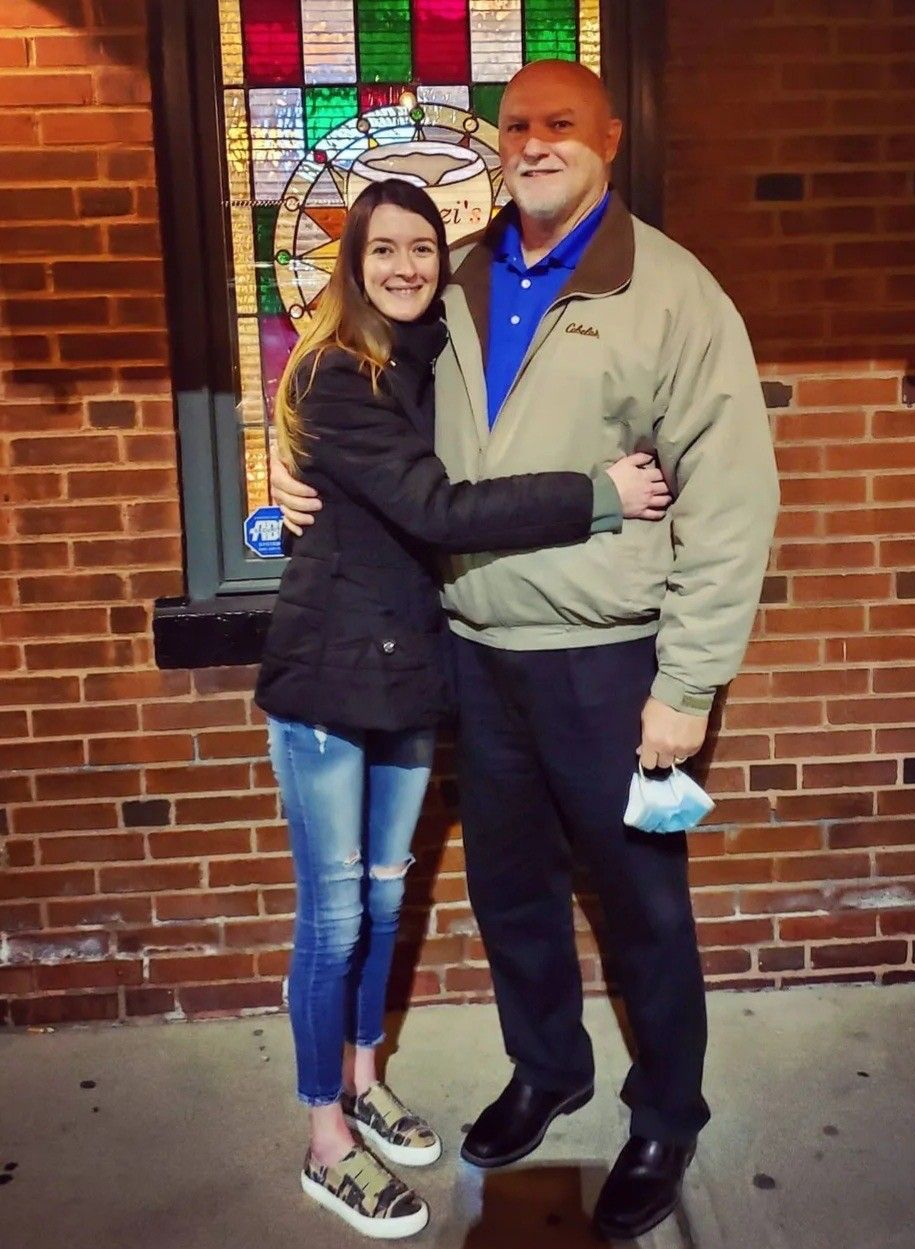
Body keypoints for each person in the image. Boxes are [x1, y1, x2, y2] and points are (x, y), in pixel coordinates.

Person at [273, 60, 779, 1241]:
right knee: (510, 893)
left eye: (563, 123)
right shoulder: (454, 277)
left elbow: (731, 499)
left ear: (610, 136)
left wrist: (688, 684)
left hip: (609, 660)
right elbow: (362, 405)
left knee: (643, 902)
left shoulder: (671, 294)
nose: (536, 142)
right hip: (472, 649)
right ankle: (547, 1067)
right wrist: (286, 476)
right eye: (517, 125)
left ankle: (666, 1114)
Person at [255, 175, 671, 1240]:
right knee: (334, 915)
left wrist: (280, 461)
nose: (404, 266)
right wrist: (598, 494)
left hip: (409, 670)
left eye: (421, 249)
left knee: (384, 900)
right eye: (382, 249)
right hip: (329, 674)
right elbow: (435, 506)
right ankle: (325, 1137)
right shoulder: (340, 374)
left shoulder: (429, 351)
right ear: (351, 264)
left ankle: (363, 1079)